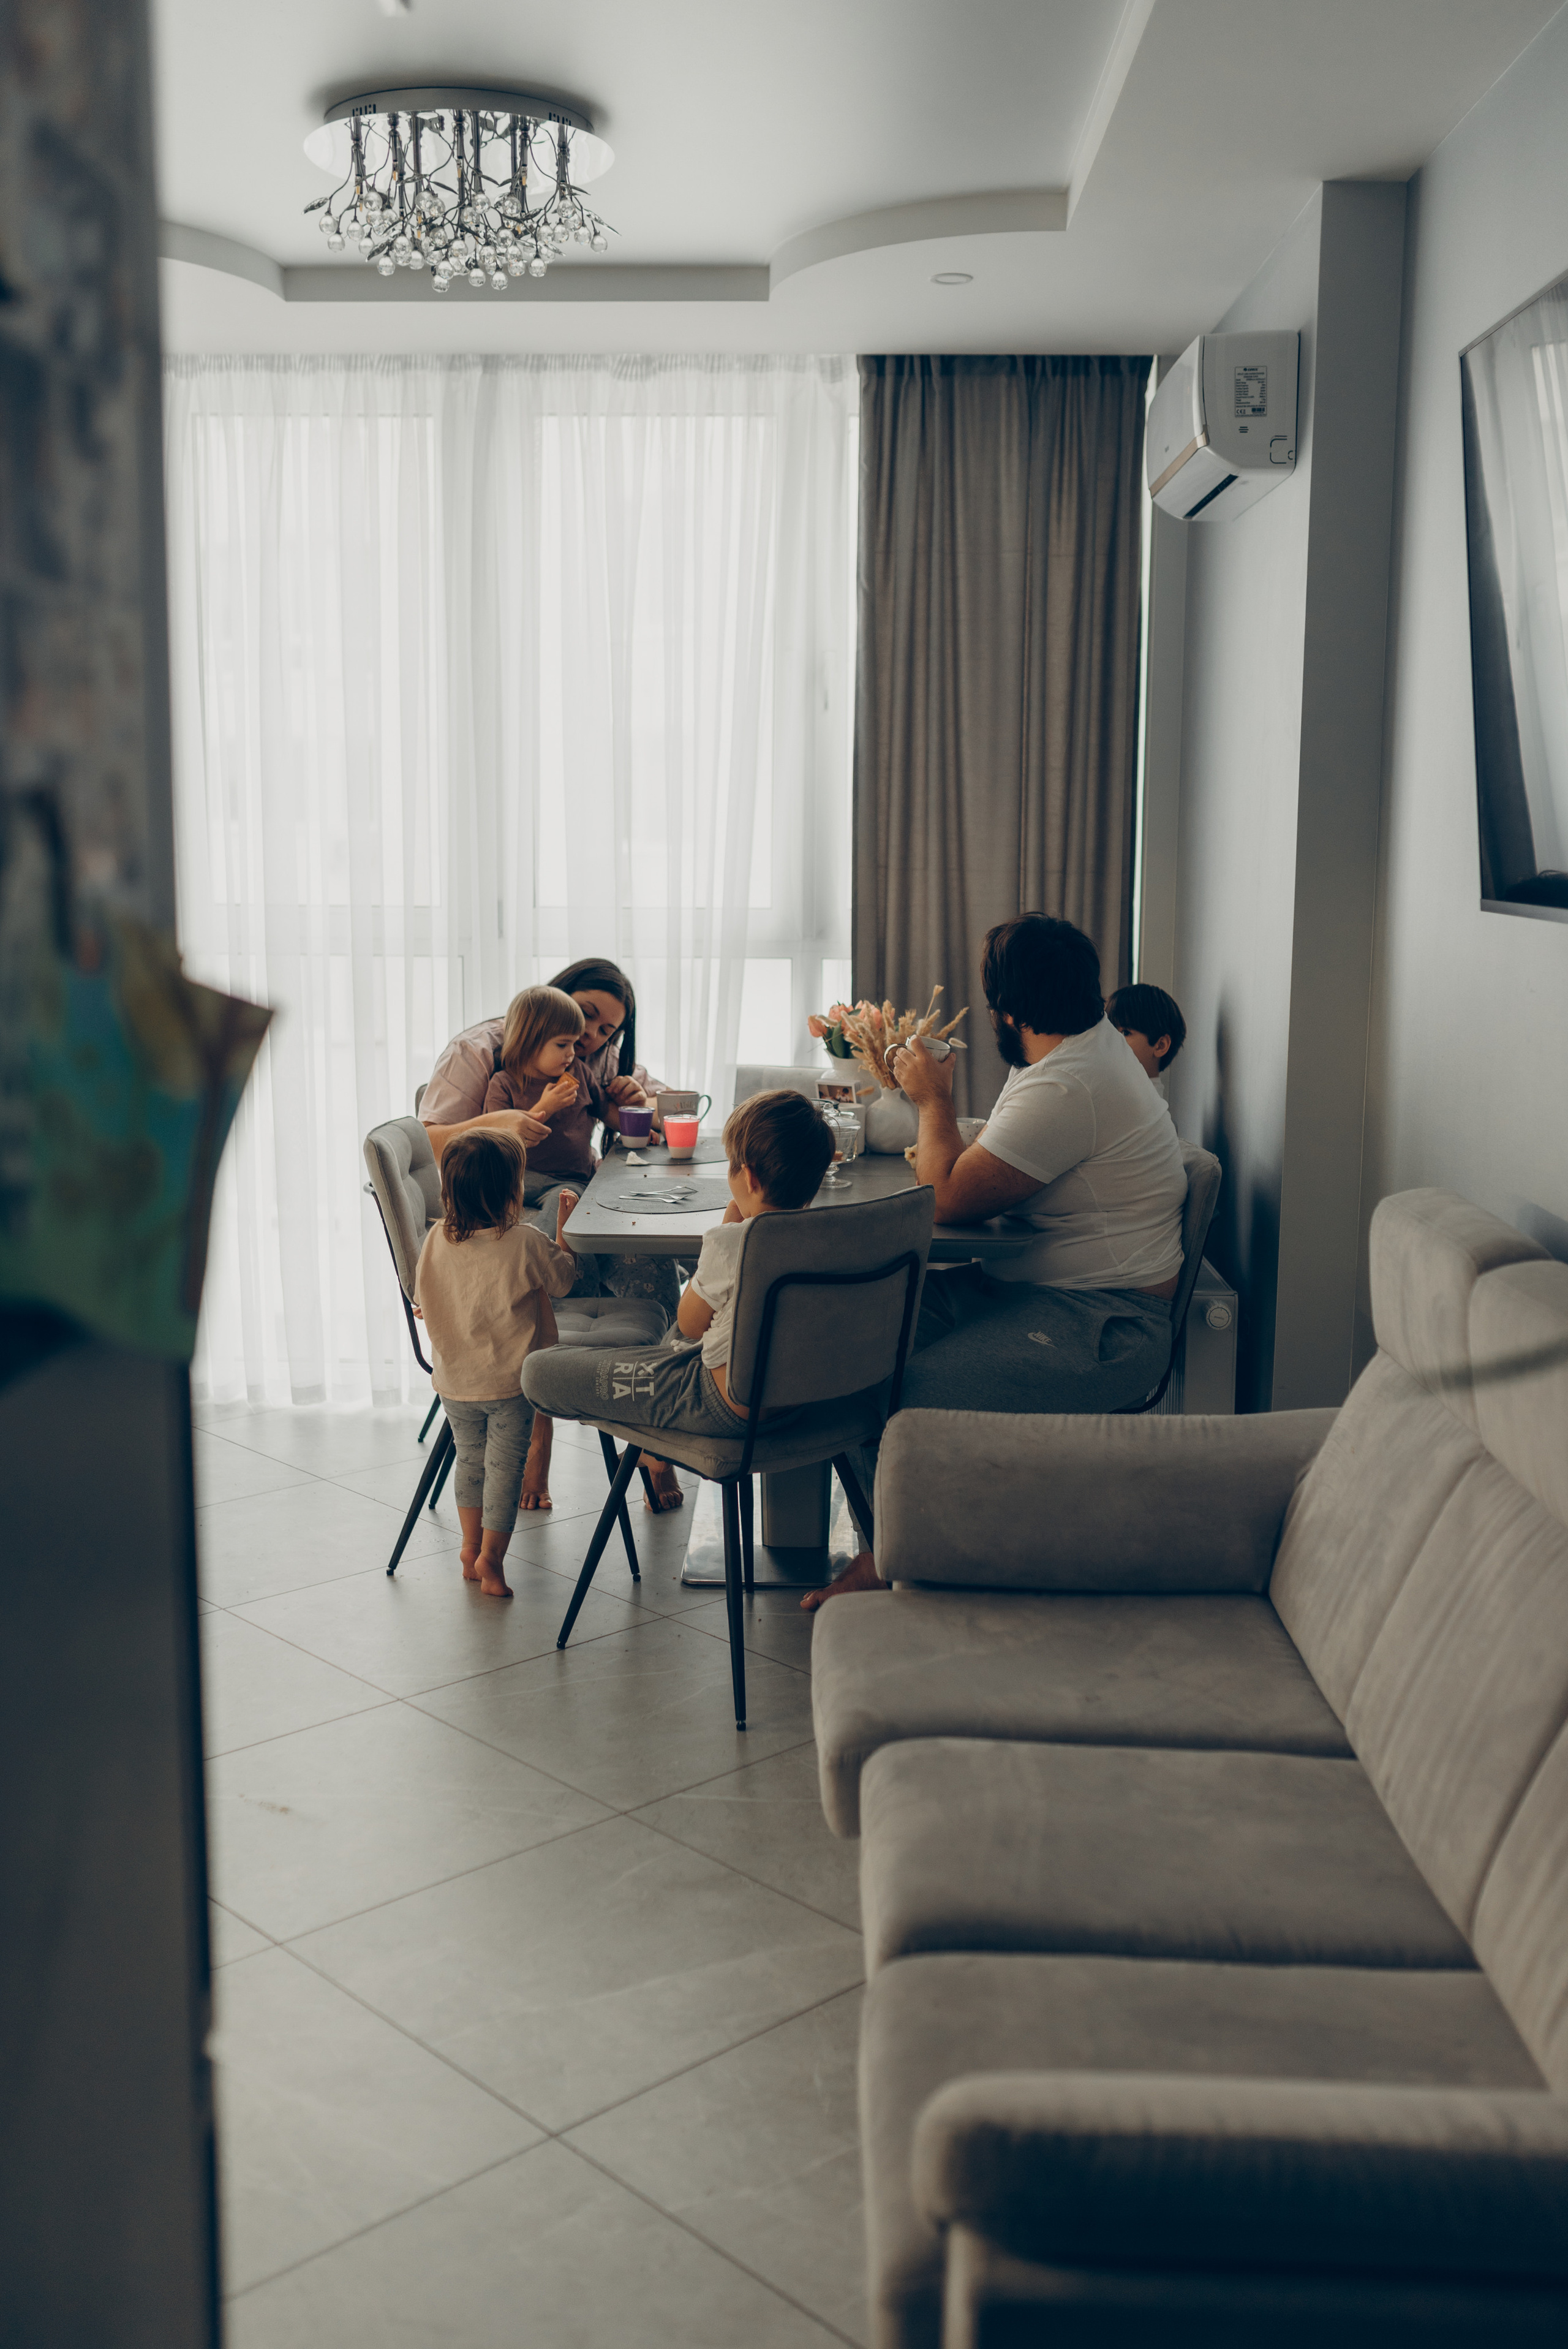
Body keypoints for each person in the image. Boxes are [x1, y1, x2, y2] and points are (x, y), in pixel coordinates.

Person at [803, 914, 1188, 1611]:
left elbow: (946, 1200)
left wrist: (933, 1099)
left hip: (1103, 1319)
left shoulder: (1069, 1083)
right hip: (1029, 1289)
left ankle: (896, 1560)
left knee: (902, 1395)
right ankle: (897, 1548)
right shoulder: (1074, 1056)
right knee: (848, 1343)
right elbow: (984, 1164)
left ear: (1004, 1010)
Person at [418, 956, 684, 1511]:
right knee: (548, 1261)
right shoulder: (484, 1054)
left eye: (606, 1030)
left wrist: (630, 1101)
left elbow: (646, 1099)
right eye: (584, 1019)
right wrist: (507, 1124)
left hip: (576, 1187)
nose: (589, 1038)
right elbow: (428, 1143)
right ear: (553, 1001)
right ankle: (539, 1433)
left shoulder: (588, 1057)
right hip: (498, 1211)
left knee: (646, 1259)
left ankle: (652, 1438)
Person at [523, 1091, 835, 1442]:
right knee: (673, 1341)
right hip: (798, 1401)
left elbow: (690, 1323)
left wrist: (721, 1234)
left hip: (717, 1403)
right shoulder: (826, 1236)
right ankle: (654, 1453)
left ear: (750, 1178)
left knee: (536, 1371)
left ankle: (654, 1442)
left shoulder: (733, 1241)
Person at [413, 1131, 579, 1599]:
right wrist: (563, 1229)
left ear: (448, 1193)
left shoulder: (435, 1241)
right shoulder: (525, 1241)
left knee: (471, 1463)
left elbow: (420, 1296)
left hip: (455, 1382)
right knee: (506, 1473)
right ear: (513, 1192)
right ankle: (492, 1561)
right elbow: (564, 1281)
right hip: (510, 1384)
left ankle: (468, 1550)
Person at [1107, 982, 1186, 1092]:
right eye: (1110, 1031)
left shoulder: (1138, 1101)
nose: (1111, 1039)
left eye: (1125, 1033)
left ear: (1160, 1046)